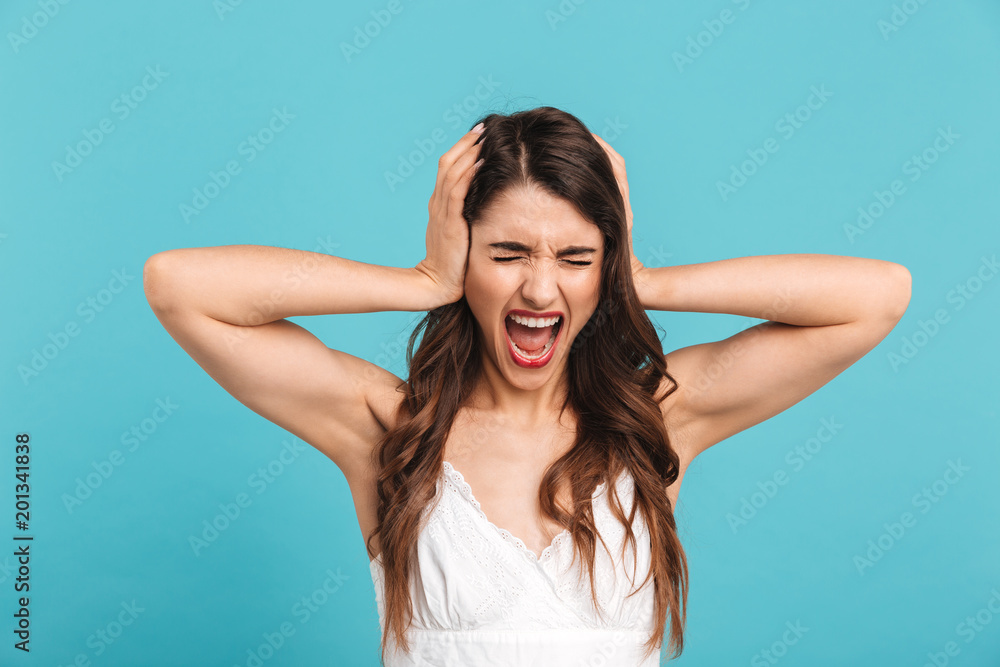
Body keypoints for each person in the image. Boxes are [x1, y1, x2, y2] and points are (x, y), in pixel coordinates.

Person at [142, 106, 911, 666]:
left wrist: (641, 278)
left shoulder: (659, 422)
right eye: (507, 252)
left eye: (575, 258)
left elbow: (876, 296)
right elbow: (179, 285)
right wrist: (418, 281)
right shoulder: (390, 430)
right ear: (463, 257)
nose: (541, 290)